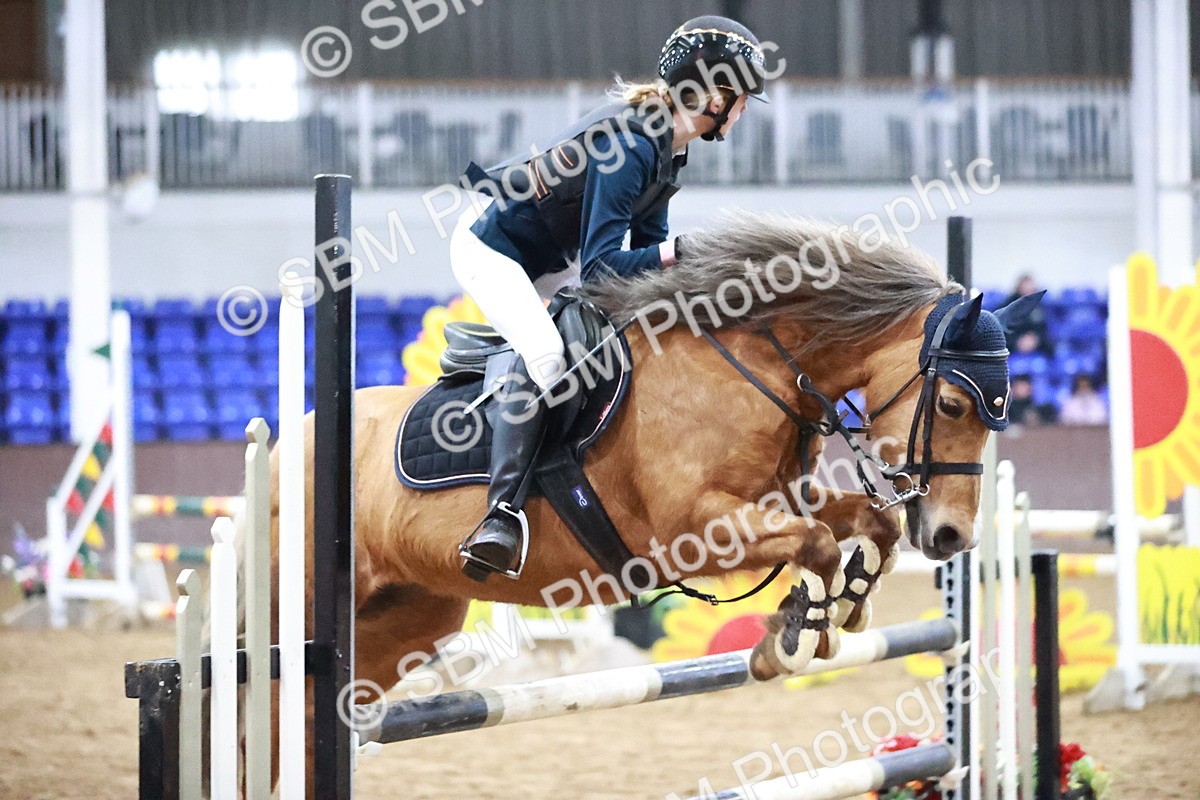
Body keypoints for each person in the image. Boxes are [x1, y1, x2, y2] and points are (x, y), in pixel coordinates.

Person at [449, 15, 769, 580]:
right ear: (713, 95)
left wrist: (695, 282)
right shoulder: (631, 145)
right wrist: (682, 253)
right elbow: (603, 269)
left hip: (553, 257)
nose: (743, 111)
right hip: (494, 250)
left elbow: (646, 257)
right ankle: (501, 515)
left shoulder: (668, 149)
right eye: (741, 98)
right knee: (549, 357)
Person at [1002, 274, 1051, 354]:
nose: (1028, 289)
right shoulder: (1007, 306)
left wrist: (1035, 340)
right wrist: (1017, 342)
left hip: (1036, 345)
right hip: (1012, 346)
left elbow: (1043, 328)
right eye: (1026, 286)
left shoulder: (1039, 305)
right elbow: (1003, 331)